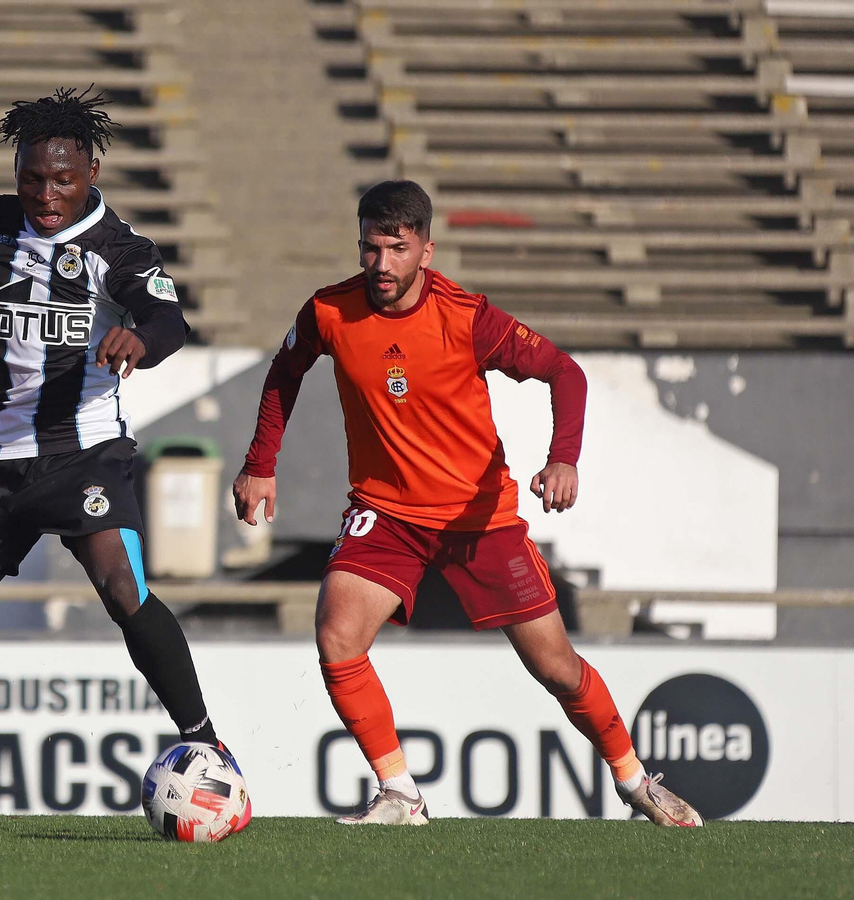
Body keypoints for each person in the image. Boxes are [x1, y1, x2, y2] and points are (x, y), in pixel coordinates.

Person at [232, 180, 702, 827]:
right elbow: (284, 373)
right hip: (386, 512)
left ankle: (633, 780)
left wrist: (563, 458)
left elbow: (564, 372)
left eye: (397, 249)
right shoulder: (329, 310)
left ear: (426, 250)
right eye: (370, 248)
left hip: (478, 519)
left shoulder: (467, 316)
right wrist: (260, 464)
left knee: (557, 669)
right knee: (338, 637)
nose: (381, 264)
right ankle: (400, 793)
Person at [0, 88, 241, 831]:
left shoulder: (118, 250)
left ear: (91, 173)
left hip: (83, 452)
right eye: (32, 178)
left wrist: (142, 340)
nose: (46, 195)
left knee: (122, 587)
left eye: (62, 179)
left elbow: (169, 318)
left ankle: (207, 746)